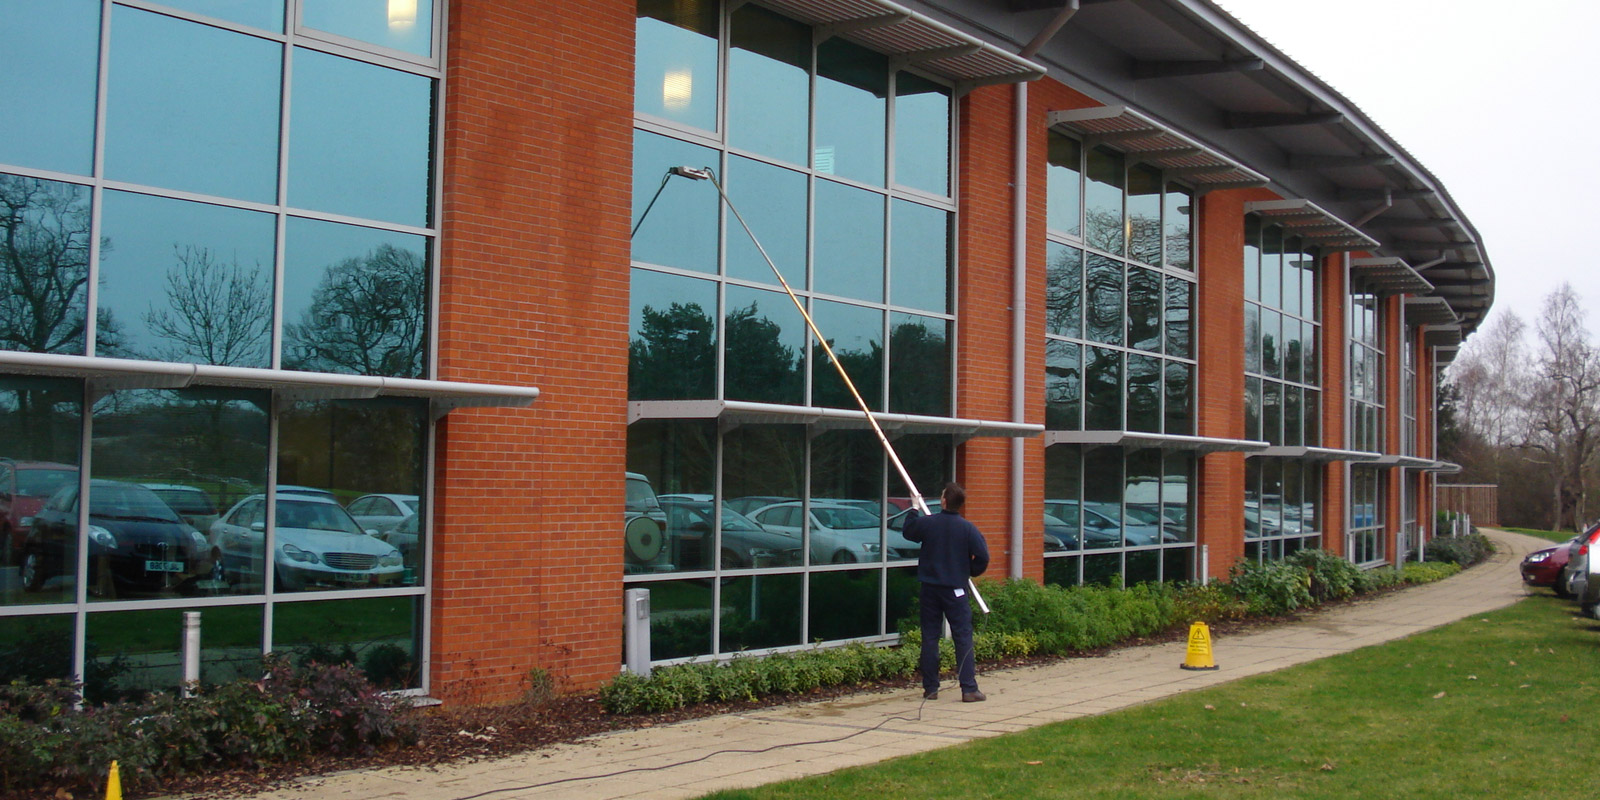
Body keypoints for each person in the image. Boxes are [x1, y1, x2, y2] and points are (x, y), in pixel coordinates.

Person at [902, 482, 990, 702]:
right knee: (963, 637)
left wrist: (914, 507)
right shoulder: (967, 529)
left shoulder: (930, 523)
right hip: (956, 590)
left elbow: (909, 531)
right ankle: (968, 689)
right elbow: (983, 556)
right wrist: (969, 571)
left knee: (930, 637)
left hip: (930, 589)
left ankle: (931, 688)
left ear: (943, 501)